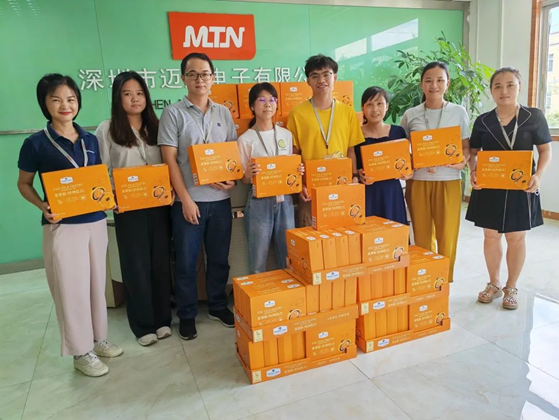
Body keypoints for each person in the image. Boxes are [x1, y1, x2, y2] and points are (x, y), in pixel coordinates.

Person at [17, 74, 122, 377]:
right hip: (63, 227)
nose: (65, 105)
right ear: (45, 104)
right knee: (70, 289)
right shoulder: (35, 143)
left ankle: (98, 339)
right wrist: (42, 206)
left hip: (95, 222)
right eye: (57, 99)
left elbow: (97, 179)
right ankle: (80, 351)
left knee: (95, 284)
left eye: (71, 99)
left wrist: (110, 198)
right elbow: (24, 184)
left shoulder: (90, 140)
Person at [158, 52, 237, 341]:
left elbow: (232, 155)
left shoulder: (223, 113)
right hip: (188, 203)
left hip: (220, 202)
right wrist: (186, 200)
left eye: (204, 74)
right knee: (186, 263)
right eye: (192, 74)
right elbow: (169, 159)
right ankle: (187, 314)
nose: (199, 79)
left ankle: (217, 306)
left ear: (213, 78)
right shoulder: (173, 113)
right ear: (183, 78)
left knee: (219, 259)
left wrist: (232, 179)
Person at [96, 71, 172, 346]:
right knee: (135, 266)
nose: (135, 99)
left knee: (160, 263)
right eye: (127, 94)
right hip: (128, 208)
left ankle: (163, 319)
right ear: (118, 98)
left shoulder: (157, 125)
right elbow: (100, 170)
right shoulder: (107, 129)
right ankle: (142, 325)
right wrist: (111, 198)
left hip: (159, 205)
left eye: (139, 93)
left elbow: (169, 161)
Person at [466, 67, 552, 310]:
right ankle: (493, 283)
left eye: (510, 85)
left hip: (521, 186)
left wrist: (538, 175)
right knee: (491, 236)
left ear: (519, 87)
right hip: (490, 185)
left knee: (516, 237)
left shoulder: (533, 116)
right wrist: (473, 171)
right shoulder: (483, 121)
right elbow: (474, 152)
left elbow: (545, 150)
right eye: (498, 86)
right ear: (491, 91)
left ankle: (511, 286)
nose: (504, 91)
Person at [400, 61, 471, 283]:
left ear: (447, 84)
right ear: (421, 84)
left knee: (447, 235)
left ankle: (443, 281)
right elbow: (402, 149)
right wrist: (409, 164)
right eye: (428, 80)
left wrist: (462, 162)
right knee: (421, 235)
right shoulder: (411, 114)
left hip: (448, 181)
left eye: (440, 80)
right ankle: (426, 280)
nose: (434, 85)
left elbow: (466, 147)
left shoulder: (458, 112)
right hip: (418, 181)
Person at [287, 54, 365, 227]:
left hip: (341, 186)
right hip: (310, 189)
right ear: (308, 81)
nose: (321, 80)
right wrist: (300, 184)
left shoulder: (347, 112)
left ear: (334, 77)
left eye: (326, 74)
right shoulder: (297, 114)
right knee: (311, 235)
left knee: (341, 234)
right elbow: (294, 153)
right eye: (315, 76)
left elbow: (351, 150)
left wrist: (354, 177)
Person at [238, 82, 304, 274]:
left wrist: (297, 170)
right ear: (252, 106)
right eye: (261, 100)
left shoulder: (286, 135)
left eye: (272, 99)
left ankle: (289, 292)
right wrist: (248, 174)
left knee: (288, 256)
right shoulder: (245, 139)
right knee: (258, 259)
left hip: (285, 201)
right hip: (259, 202)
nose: (268, 104)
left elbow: (290, 167)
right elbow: (243, 180)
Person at [354, 86, 410, 224]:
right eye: (369, 104)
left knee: (394, 232)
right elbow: (351, 164)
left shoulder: (398, 132)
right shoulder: (355, 135)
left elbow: (408, 163)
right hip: (367, 193)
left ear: (387, 106)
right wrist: (357, 174)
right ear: (362, 108)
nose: (375, 109)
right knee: (369, 233)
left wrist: (407, 173)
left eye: (380, 103)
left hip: (391, 193)